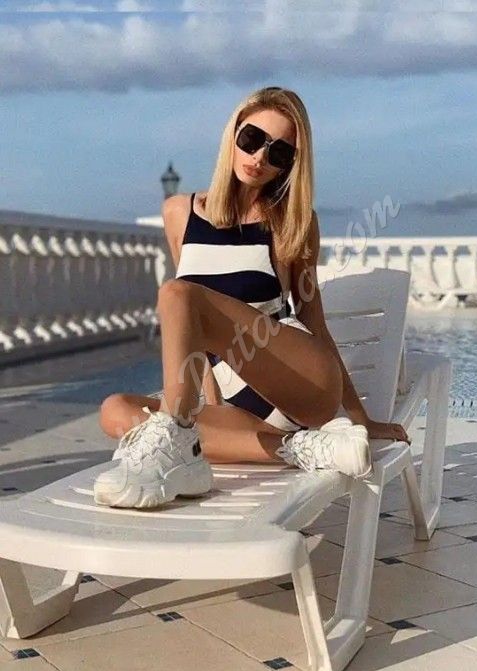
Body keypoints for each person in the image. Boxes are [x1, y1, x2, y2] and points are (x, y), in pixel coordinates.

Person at [93, 86, 410, 509]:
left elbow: (314, 323)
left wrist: (360, 417)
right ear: (233, 134)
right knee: (115, 409)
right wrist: (210, 402)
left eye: (278, 153)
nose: (259, 157)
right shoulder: (179, 213)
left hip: (301, 384)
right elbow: (197, 331)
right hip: (240, 405)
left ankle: (179, 443)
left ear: (291, 164)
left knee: (176, 293)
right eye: (252, 138)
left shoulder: (292, 222)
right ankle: (299, 448)